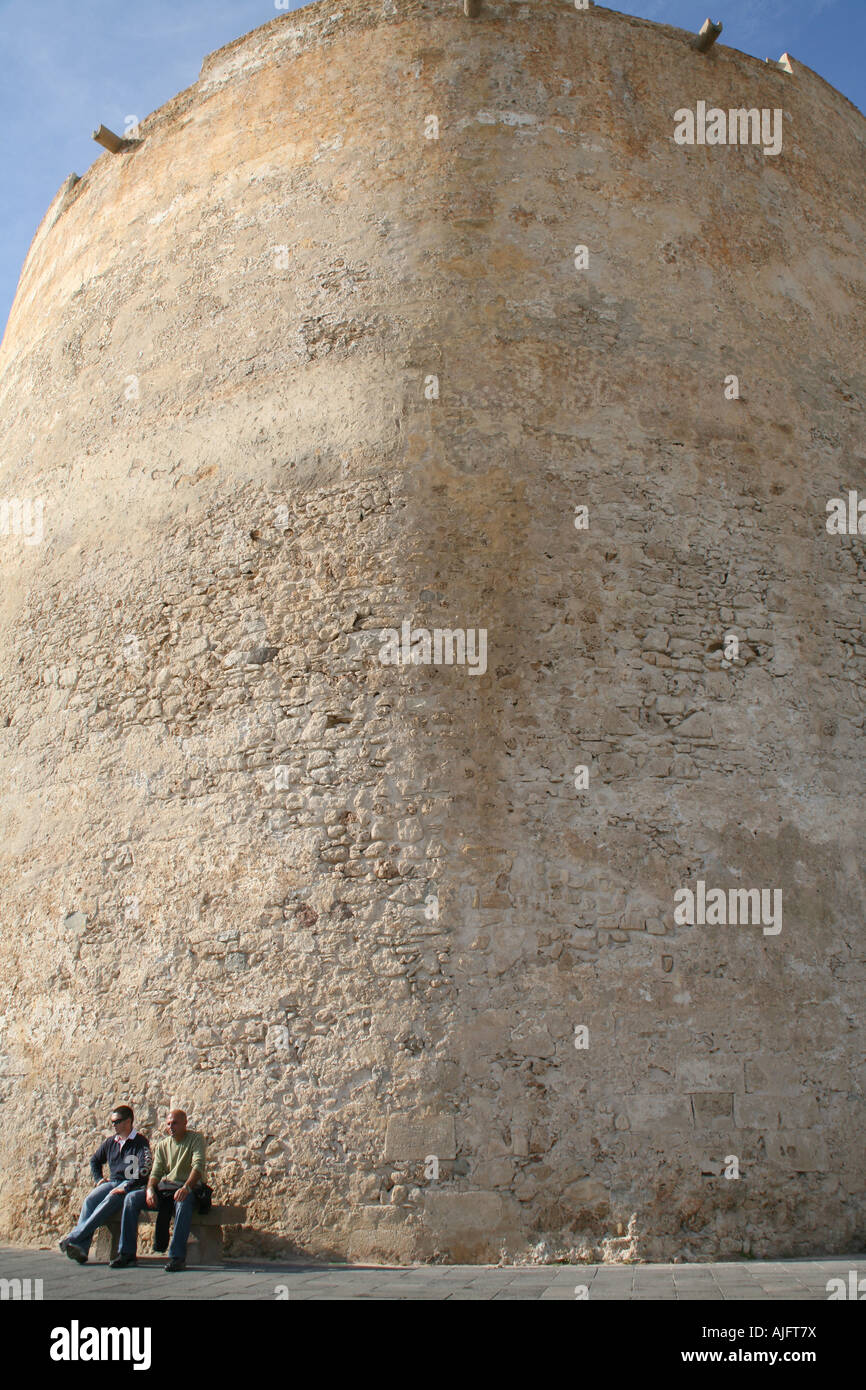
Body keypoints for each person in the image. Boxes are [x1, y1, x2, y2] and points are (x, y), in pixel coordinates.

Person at [112, 1108, 206, 1272]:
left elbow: (198, 1166)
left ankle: (177, 1257)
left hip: (188, 1188)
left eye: (175, 1123)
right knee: (131, 1199)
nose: (171, 1127)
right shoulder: (163, 1145)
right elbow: (155, 1172)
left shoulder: (196, 1139)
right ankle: (126, 1253)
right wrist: (150, 1189)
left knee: (182, 1202)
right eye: (168, 1124)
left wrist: (186, 1187)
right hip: (166, 1189)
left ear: (185, 1123)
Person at [59, 1105, 151, 1264]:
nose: (113, 1125)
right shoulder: (111, 1142)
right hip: (113, 1182)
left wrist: (127, 1187)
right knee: (90, 1200)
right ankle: (81, 1247)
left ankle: (74, 1238)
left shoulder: (140, 1142)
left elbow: (145, 1168)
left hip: (130, 1185)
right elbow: (95, 1161)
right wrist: (99, 1179)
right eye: (112, 1122)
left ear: (128, 1121)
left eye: (117, 1121)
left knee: (109, 1200)